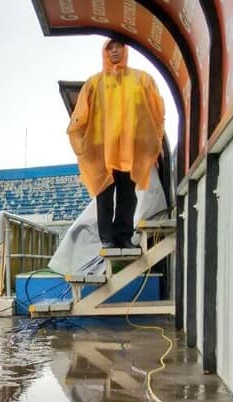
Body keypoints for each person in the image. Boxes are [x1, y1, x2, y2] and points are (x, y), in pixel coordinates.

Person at [67, 39, 165, 249]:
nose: (114, 51)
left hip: (129, 149)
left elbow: (154, 111)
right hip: (102, 151)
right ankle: (107, 238)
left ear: (125, 49)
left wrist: (150, 141)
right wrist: (84, 144)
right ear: (104, 52)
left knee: (127, 195)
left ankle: (123, 236)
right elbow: (80, 117)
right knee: (104, 195)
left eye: (118, 46)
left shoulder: (141, 80)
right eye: (109, 48)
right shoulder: (93, 83)